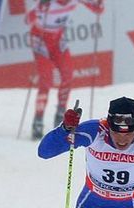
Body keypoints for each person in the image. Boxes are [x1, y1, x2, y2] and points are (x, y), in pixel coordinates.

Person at [26, 0, 104, 140]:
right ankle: (38, 119)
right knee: (46, 78)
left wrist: (98, 4)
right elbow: (28, 19)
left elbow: (98, 9)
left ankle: (60, 114)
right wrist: (40, 9)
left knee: (67, 73)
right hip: (40, 38)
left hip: (57, 39)